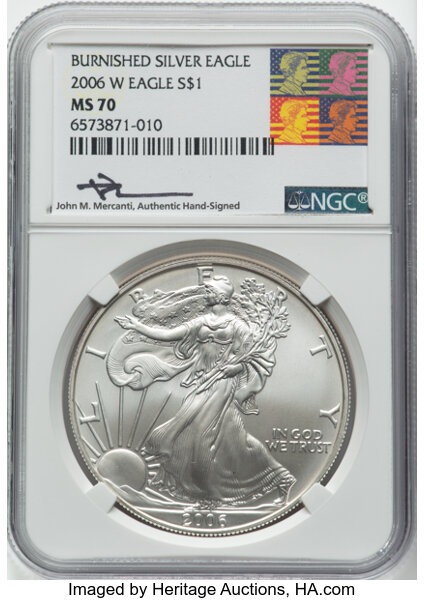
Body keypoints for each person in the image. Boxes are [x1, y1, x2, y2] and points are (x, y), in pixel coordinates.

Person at [109, 276, 296, 506]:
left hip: (223, 383)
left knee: (199, 433)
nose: (205, 293)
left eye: (209, 290)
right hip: (203, 380)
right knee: (232, 438)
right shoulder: (201, 321)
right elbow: (169, 335)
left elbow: (255, 358)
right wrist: (137, 327)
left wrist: (236, 368)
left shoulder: (238, 326)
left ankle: (211, 494)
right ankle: (278, 478)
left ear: (220, 296)